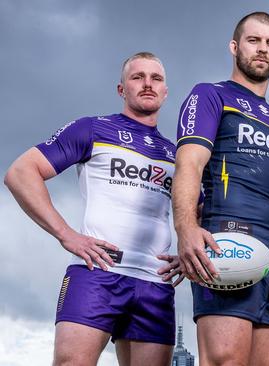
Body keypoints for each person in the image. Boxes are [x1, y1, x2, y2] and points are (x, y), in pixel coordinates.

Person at [4, 52, 183, 366]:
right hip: (97, 273)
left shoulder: (176, 154)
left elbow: (198, 213)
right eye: (137, 77)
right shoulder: (92, 129)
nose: (147, 84)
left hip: (155, 283)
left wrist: (189, 253)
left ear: (166, 91)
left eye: (156, 79)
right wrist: (67, 235)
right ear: (121, 89)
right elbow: (20, 173)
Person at [172, 11, 269, 366]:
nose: (262, 49)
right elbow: (189, 164)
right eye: (254, 41)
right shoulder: (210, 95)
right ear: (235, 46)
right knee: (225, 360)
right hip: (227, 245)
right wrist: (186, 228)